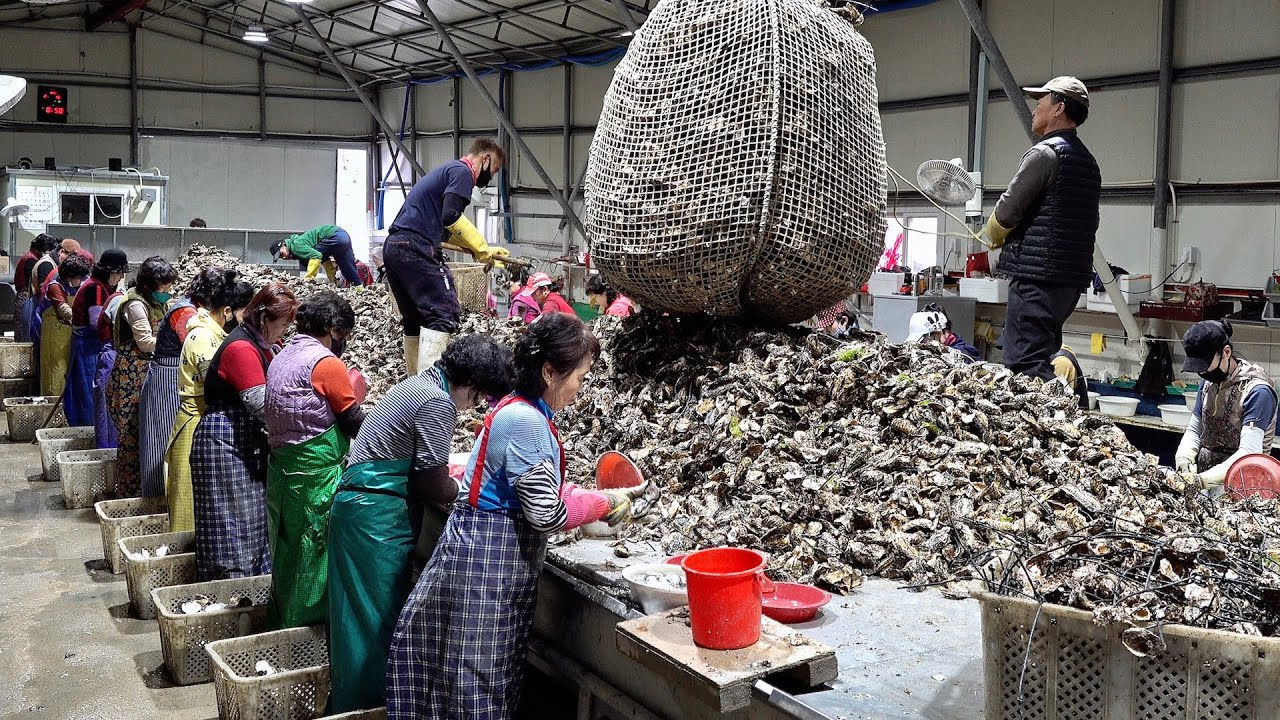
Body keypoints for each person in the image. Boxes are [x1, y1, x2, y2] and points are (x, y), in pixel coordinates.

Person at [386, 313, 642, 719]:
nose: (580, 389)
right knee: (477, 686)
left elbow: (525, 485)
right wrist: (602, 505)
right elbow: (545, 514)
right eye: (579, 377)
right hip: (487, 572)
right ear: (550, 371)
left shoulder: (517, 407)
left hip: (478, 561)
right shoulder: (525, 420)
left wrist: (581, 491)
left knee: (461, 677)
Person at [327, 334, 515, 714]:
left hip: (359, 507)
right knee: (375, 625)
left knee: (355, 621)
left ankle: (354, 705)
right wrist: (470, 488)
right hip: (374, 518)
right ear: (472, 384)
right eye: (477, 398)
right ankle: (372, 708)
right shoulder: (437, 402)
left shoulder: (418, 383)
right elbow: (431, 482)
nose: (472, 406)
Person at [981, 76, 1100, 382]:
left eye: (1041, 101)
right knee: (1043, 354)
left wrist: (991, 233)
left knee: (1024, 363)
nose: (1035, 109)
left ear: (1059, 107)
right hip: (1069, 282)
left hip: (1037, 279)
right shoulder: (1088, 162)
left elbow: (1008, 210)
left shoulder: (1045, 154)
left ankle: (1051, 424)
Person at [264, 291, 367, 629]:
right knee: (313, 557)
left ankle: (281, 629)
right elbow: (353, 422)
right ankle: (304, 636)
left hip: (283, 475)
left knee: (288, 555)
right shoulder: (326, 363)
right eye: (345, 335)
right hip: (314, 479)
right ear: (334, 328)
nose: (344, 342)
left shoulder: (282, 355)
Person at [192, 283, 297, 582]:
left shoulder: (262, 345)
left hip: (243, 439)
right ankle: (228, 595)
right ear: (265, 318)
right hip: (224, 440)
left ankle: (249, 593)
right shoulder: (241, 347)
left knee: (251, 522)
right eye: (283, 324)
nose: (286, 331)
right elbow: (258, 402)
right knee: (230, 525)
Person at [385, 138, 508, 374]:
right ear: (485, 159)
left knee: (415, 318)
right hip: (415, 246)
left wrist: (479, 251)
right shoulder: (461, 172)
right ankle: (429, 387)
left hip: (396, 246)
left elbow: (446, 229)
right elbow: (451, 215)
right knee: (443, 311)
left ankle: (414, 383)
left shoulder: (446, 172)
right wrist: (483, 248)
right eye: (493, 170)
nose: (490, 177)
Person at [166, 272, 253, 533]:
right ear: (227, 311)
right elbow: (215, 384)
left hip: (205, 420)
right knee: (188, 503)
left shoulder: (215, 333)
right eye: (243, 312)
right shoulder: (203, 337)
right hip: (195, 423)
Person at [1175, 320, 1278, 490]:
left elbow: (1249, 453)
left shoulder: (1257, 391)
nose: (1203, 373)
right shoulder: (1208, 383)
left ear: (1226, 352)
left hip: (1244, 488)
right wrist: (1184, 458)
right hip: (1205, 483)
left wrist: (1201, 481)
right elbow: (1194, 429)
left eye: (1206, 366)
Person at [107, 257, 177, 498]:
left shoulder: (160, 303)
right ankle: (131, 494)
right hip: (132, 371)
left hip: (151, 368)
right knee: (132, 431)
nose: (168, 292)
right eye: (164, 287)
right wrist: (177, 343)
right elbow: (146, 343)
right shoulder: (135, 304)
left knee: (152, 429)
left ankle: (152, 488)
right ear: (149, 285)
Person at [138, 289, 200, 498]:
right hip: (167, 382)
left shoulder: (188, 308)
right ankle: (159, 502)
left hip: (172, 379)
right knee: (162, 444)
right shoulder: (184, 313)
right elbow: (192, 344)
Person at [66, 250, 129, 428]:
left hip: (89, 344)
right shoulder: (96, 288)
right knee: (87, 391)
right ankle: (90, 429)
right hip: (87, 345)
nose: (121, 277)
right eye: (119, 273)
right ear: (110, 272)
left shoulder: (100, 285)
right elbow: (95, 322)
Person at [38, 255, 90, 396]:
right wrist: (85, 319)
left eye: (81, 277)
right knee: (55, 370)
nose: (78, 281)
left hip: (71, 333)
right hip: (54, 334)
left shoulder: (81, 284)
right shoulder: (55, 286)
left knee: (69, 371)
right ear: (67, 275)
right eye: (75, 277)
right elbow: (64, 310)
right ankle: (53, 406)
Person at [269, 225, 370, 288]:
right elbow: (323, 258)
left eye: (282, 254)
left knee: (315, 254)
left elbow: (317, 255)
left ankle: (310, 280)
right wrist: (332, 279)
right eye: (281, 257)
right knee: (348, 268)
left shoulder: (295, 245)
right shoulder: (300, 242)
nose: (284, 258)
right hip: (343, 235)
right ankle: (359, 289)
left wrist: (308, 279)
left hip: (333, 235)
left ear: (283, 245)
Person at [95, 288, 127, 449]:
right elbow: (94, 320)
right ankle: (108, 451)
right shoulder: (119, 301)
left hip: (113, 355)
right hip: (111, 357)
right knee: (109, 409)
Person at [13, 235, 52, 342]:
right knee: (25, 333)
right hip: (26, 296)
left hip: (25, 295)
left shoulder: (30, 256)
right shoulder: (31, 260)